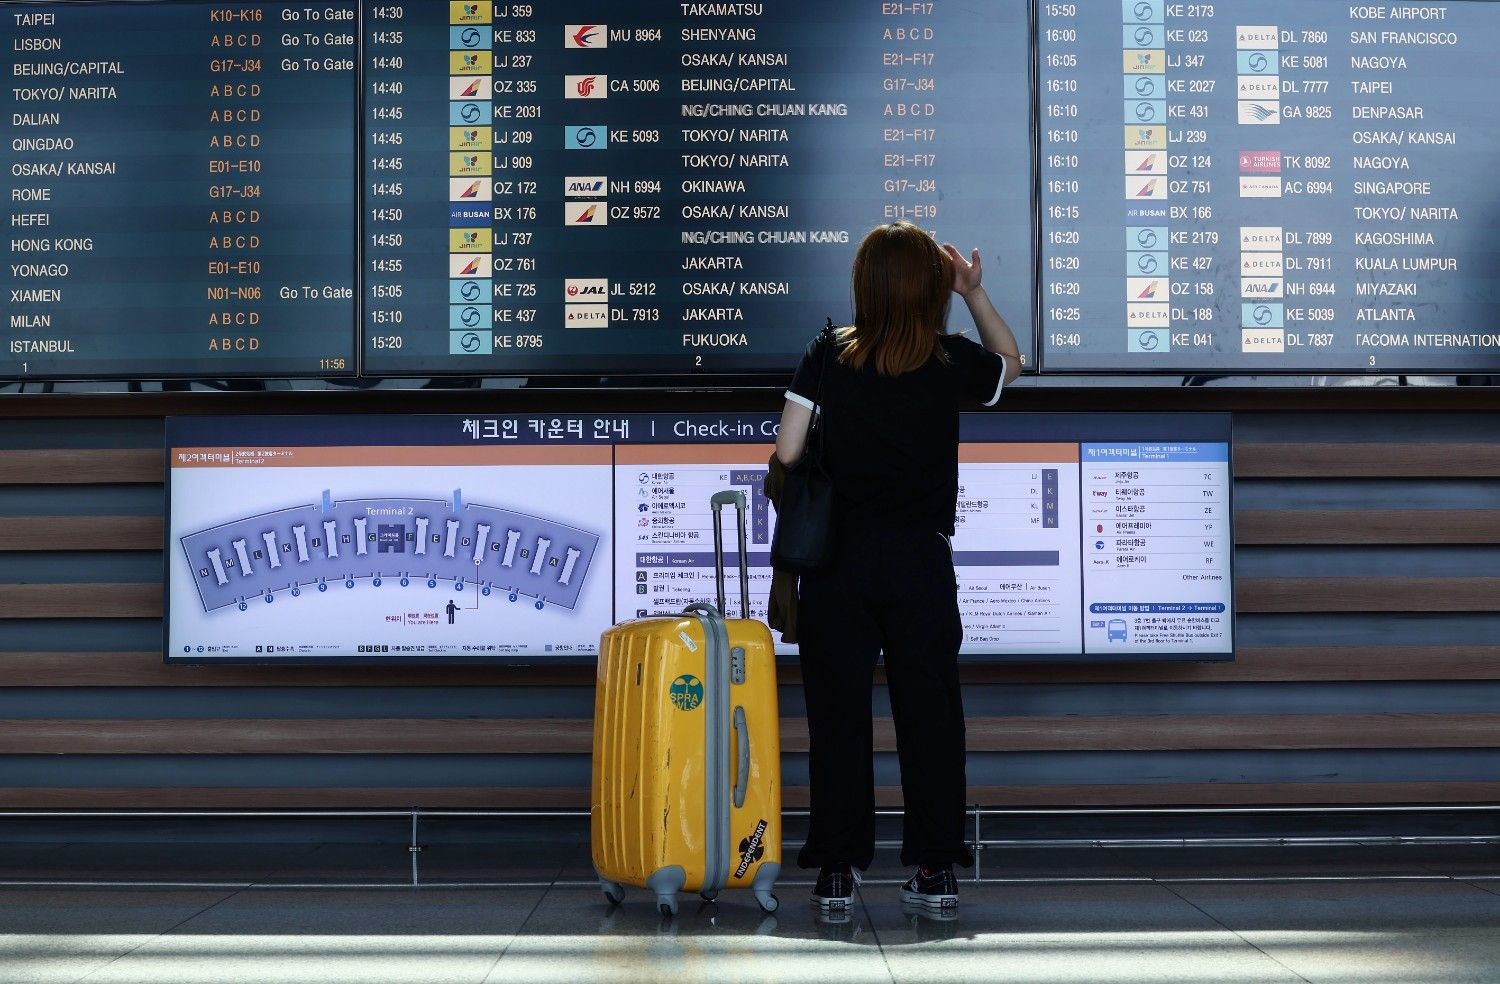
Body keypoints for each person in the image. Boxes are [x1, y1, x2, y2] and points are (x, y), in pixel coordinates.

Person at [774, 221, 1022, 912]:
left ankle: (835, 875)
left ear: (866, 286)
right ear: (930, 289)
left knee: (838, 719)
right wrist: (974, 293)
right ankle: (937, 872)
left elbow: (789, 451)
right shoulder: (950, 359)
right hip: (920, 562)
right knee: (932, 718)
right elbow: (1013, 361)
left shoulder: (829, 353)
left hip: (836, 566)